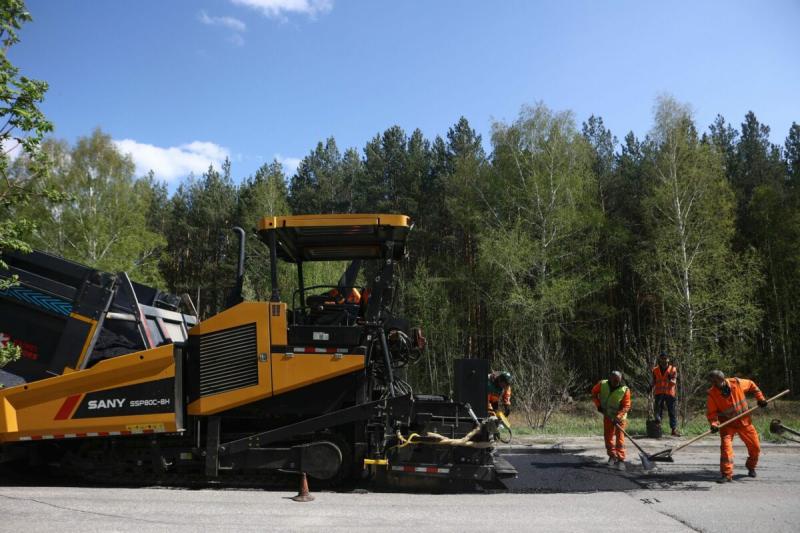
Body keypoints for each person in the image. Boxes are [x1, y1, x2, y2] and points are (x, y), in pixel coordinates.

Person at [706, 370, 768, 482]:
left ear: (722, 379)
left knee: (755, 447)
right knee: (726, 448)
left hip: (744, 422)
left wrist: (760, 399)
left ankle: (751, 467)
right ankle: (726, 474)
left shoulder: (737, 383)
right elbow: (712, 413)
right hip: (727, 423)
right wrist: (714, 424)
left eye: (715, 381)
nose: (714, 384)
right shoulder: (712, 393)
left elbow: (752, 385)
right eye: (712, 382)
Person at [591, 371, 631, 470]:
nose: (615, 382)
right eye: (613, 380)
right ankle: (612, 456)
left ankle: (621, 460)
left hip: (620, 417)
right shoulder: (602, 384)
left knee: (620, 438)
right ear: (610, 378)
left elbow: (626, 406)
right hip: (608, 415)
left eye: (617, 381)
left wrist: (618, 417)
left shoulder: (625, 389)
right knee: (608, 436)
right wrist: (598, 405)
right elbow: (594, 393)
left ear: (620, 380)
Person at [650, 351, 680, 436]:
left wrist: (670, 379)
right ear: (660, 359)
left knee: (672, 412)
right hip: (659, 393)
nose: (664, 360)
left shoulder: (673, 369)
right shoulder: (655, 370)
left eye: (665, 358)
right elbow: (654, 381)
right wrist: (650, 387)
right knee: (658, 411)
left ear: (668, 359)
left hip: (669, 393)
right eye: (662, 358)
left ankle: (673, 430)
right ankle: (657, 429)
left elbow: (674, 382)